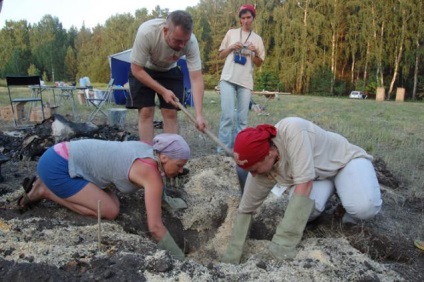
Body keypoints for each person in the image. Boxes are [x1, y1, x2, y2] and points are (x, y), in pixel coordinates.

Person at [222, 117, 382, 264]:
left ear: (270, 154)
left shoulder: (293, 131)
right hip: (319, 177)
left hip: (344, 162)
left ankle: (347, 212)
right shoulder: (262, 162)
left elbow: (304, 185)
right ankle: (336, 191)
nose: (254, 175)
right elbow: (246, 207)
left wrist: (283, 245)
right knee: (306, 210)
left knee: (364, 206)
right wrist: (232, 254)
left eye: (254, 169)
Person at [17, 133, 191, 261]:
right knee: (109, 211)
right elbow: (154, 227)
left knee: (112, 202)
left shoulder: (148, 150)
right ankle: (44, 190)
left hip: (61, 153)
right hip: (56, 167)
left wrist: (167, 200)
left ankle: (47, 187)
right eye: (179, 165)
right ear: (164, 157)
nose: (181, 170)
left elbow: (158, 181)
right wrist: (180, 259)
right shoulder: (150, 174)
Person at [127, 10, 206, 144]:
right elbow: (136, 69)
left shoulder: (191, 42)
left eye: (185, 41)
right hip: (144, 69)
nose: (182, 46)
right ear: (165, 31)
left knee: (170, 112)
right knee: (146, 111)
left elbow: (196, 78)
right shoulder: (147, 32)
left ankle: (171, 155)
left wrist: (199, 115)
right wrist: (163, 91)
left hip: (170, 69)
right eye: (178, 40)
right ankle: (148, 155)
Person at [217, 4, 265, 154]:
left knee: (242, 120)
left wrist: (255, 51)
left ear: (253, 18)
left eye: (248, 17)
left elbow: (259, 63)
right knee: (228, 116)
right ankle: (223, 151)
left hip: (245, 82)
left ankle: (238, 150)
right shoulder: (231, 33)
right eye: (243, 18)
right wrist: (232, 47)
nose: (245, 20)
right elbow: (221, 54)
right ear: (240, 20)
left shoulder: (257, 39)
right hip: (228, 79)